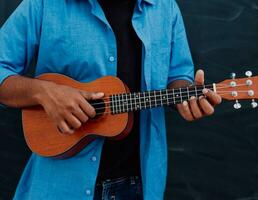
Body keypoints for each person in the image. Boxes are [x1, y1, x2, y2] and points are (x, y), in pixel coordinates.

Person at [0, 0, 221, 199]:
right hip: (59, 185)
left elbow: (177, 76)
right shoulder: (45, 4)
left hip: (139, 187)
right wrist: (44, 92)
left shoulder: (166, 8)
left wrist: (187, 96)